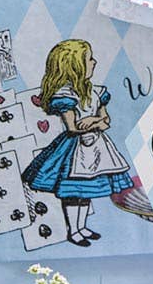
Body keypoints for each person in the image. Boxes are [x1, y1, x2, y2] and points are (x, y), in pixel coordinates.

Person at [22, 39, 133, 246]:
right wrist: (96, 123)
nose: (94, 62)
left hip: (98, 148)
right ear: (75, 65)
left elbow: (106, 121)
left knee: (85, 192)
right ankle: (73, 230)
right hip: (74, 151)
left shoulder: (97, 91)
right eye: (89, 59)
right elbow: (73, 128)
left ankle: (82, 227)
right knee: (74, 191)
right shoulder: (65, 95)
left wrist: (93, 121)